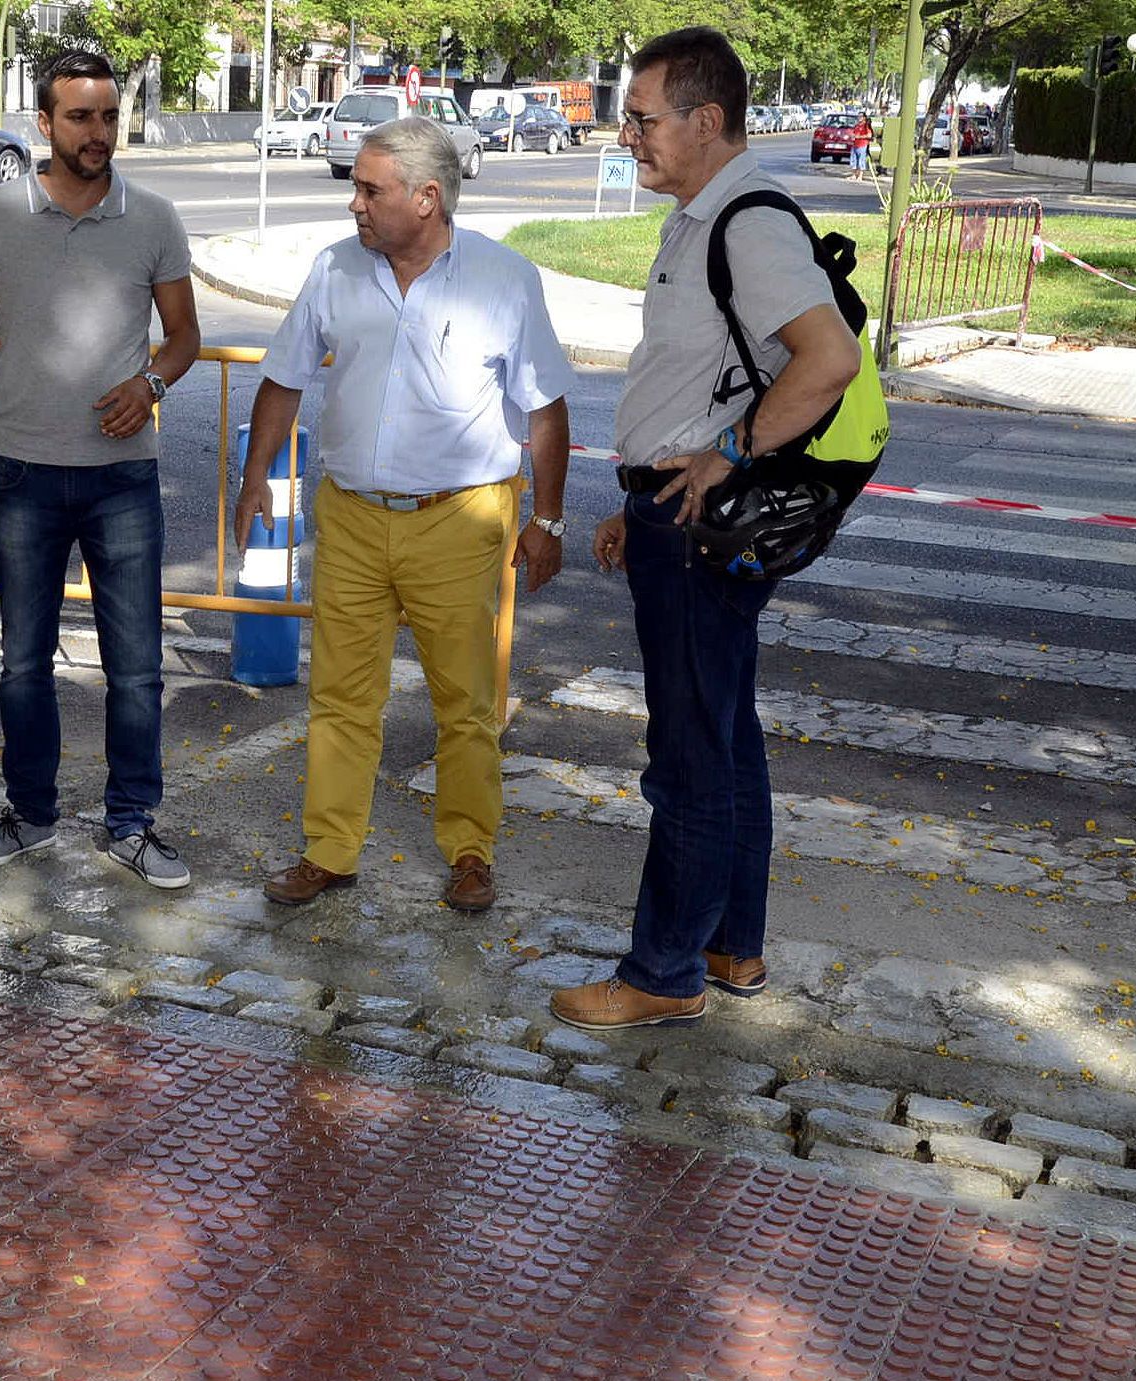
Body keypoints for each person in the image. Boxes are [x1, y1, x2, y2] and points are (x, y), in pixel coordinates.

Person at [549, 28, 862, 1031]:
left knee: (689, 754)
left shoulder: (745, 224)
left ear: (706, 120)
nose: (626, 134)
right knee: (724, 739)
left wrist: (725, 452)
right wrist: (639, 496)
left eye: (641, 117)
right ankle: (732, 946)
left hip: (700, 527)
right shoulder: (701, 218)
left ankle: (663, 971)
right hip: (675, 515)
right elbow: (699, 378)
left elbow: (829, 360)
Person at [240, 116, 575, 915]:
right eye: (356, 188)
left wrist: (549, 519)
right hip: (352, 517)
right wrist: (254, 476)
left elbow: (546, 408)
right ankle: (329, 851)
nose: (353, 203)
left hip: (459, 520)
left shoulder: (503, 278)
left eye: (369, 190)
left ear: (427, 198)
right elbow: (285, 376)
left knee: (465, 702)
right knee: (341, 696)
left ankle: (470, 852)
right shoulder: (335, 268)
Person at [0, 51, 201, 890]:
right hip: (22, 471)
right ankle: (31, 814)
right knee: (23, 663)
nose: (98, 133)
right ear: (44, 124)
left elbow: (185, 336)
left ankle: (132, 822)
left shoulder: (153, 216)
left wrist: (150, 384)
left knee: (137, 667)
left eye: (109, 116)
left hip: (123, 477)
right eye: (81, 117)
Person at [849, 112, 873, 178]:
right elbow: (854, 133)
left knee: (861, 160)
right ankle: (854, 175)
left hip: (862, 145)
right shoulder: (857, 125)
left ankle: (860, 176)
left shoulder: (866, 126)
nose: (859, 117)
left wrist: (859, 137)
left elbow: (869, 135)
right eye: (858, 116)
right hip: (855, 145)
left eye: (861, 116)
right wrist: (852, 136)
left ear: (864, 117)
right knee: (854, 160)